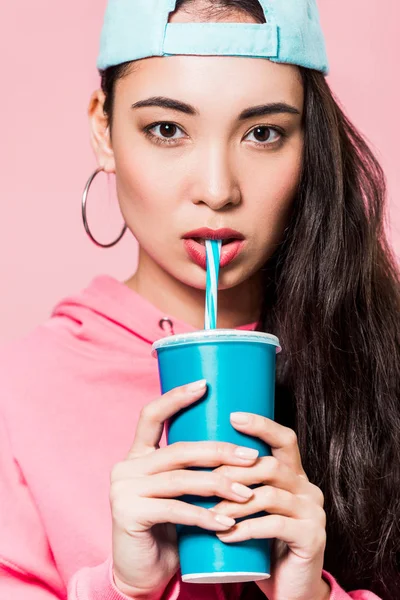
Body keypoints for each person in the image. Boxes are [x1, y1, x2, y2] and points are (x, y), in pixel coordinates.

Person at [0, 0, 399, 598]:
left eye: (263, 133)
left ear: (305, 145)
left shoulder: (380, 358)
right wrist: (124, 588)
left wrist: (311, 593)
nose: (217, 189)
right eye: (167, 129)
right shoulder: (20, 392)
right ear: (103, 131)